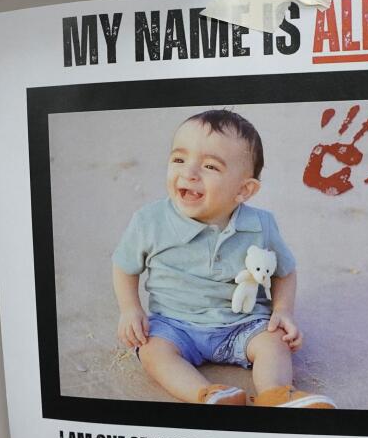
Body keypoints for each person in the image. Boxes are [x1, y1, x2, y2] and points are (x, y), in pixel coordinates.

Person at [112, 110, 335, 408]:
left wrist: (283, 310)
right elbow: (124, 266)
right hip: (174, 324)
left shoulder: (261, 225)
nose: (189, 173)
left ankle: (277, 394)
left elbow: (285, 271)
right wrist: (130, 309)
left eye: (209, 166)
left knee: (274, 341)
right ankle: (208, 394)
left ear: (244, 190)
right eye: (179, 159)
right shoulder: (150, 221)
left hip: (244, 324)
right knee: (152, 350)